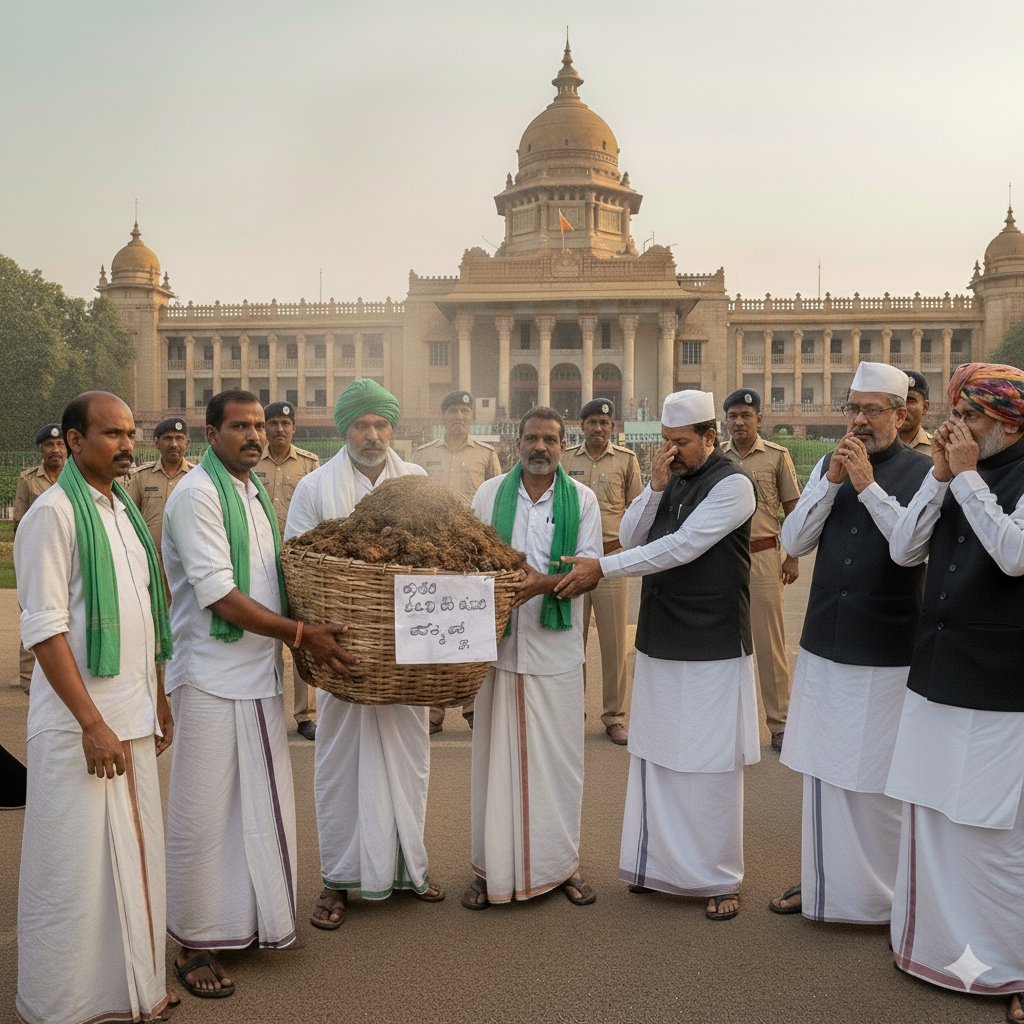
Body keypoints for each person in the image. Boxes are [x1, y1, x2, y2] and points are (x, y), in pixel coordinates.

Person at [162, 389, 353, 998]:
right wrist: (300, 633)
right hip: (212, 675)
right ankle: (193, 940)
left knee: (249, 806)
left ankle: (242, 921)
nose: (252, 435)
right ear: (210, 433)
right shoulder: (196, 495)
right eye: (238, 426)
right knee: (206, 810)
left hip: (255, 674)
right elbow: (218, 594)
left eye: (258, 425)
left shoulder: (251, 492)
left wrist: (300, 630)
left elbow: (271, 579)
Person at [557, 389, 758, 921]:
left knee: (710, 762)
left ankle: (717, 877)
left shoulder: (734, 484)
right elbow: (629, 534)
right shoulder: (671, 480)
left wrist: (602, 568)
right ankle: (658, 866)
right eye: (665, 442)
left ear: (709, 437)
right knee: (660, 754)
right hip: (662, 636)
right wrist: (653, 486)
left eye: (680, 442)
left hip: (712, 642)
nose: (671, 450)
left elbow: (681, 547)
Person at [15, 392, 175, 1023]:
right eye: (111, 434)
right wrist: (91, 723)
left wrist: (158, 694)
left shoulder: (121, 513)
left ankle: (129, 992)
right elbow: (45, 630)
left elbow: (144, 613)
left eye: (130, 433)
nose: (127, 444)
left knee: (135, 860)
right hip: (82, 726)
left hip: (130, 716)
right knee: (74, 873)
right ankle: (63, 1004)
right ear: (74, 441)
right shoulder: (53, 515)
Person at [885, 362, 1024, 1022]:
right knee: (937, 810)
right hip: (938, 664)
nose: (955, 427)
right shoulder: (953, 472)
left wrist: (965, 477)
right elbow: (905, 550)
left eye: (969, 418)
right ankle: (936, 948)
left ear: (1007, 423)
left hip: (1002, 677)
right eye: (957, 415)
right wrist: (941, 479)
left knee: (995, 832)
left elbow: (1013, 553)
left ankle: (1011, 967)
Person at [769, 361, 931, 922]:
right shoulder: (828, 468)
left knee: (873, 780)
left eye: (872, 410)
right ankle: (824, 884)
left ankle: (882, 899)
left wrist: (866, 486)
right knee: (824, 768)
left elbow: (910, 550)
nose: (860, 421)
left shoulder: (925, 473)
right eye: (853, 408)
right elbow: (794, 539)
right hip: (824, 641)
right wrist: (833, 482)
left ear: (900, 414)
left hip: (885, 647)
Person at [285, 378, 444, 931]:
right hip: (342, 654)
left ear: (393, 428)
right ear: (344, 430)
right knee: (340, 765)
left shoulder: (419, 482)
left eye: (380, 425)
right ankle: (338, 880)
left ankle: (408, 867)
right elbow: (298, 565)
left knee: (408, 760)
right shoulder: (314, 487)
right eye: (360, 425)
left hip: (405, 655)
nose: (371, 435)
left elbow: (443, 561)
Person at [460, 406, 602, 910]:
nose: (540, 447)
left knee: (559, 766)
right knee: (492, 764)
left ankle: (561, 867)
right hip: (498, 650)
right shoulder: (488, 494)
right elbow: (469, 560)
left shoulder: (581, 500)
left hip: (555, 649)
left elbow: (588, 570)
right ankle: (489, 869)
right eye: (531, 439)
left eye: (550, 439)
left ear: (563, 446)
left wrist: (541, 584)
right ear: (516, 443)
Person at [414, 389, 501, 734]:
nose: (458, 417)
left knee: (471, 632)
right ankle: (433, 711)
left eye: (464, 411)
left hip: (471, 554)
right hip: (433, 552)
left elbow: (496, 499)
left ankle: (473, 707)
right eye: (452, 411)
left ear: (471, 417)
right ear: (443, 416)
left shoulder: (486, 455)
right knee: (432, 630)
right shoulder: (423, 455)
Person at [720, 388, 801, 751]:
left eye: (746, 416)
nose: (739, 422)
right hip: (721, 560)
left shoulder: (777, 457)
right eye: (733, 416)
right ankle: (727, 725)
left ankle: (779, 722)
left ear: (759, 419)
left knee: (769, 645)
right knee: (721, 644)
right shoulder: (714, 458)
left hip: (764, 556)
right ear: (725, 420)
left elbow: (793, 508)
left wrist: (794, 554)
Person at [560, 397, 642, 745]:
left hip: (610, 563)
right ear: (582, 425)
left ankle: (615, 716)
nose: (598, 428)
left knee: (614, 644)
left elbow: (638, 510)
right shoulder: (565, 460)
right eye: (592, 422)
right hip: (573, 563)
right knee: (569, 643)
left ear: (613, 427)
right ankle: (570, 712)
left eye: (604, 423)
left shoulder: (627, 461)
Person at [254, 401, 321, 741]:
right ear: (264, 428)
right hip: (259, 560)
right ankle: (262, 706)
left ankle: (305, 714)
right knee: (261, 633)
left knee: (300, 636)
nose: (279, 428)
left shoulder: (309, 464)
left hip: (297, 564)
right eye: (273, 423)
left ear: (294, 428)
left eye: (285, 422)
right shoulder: (251, 463)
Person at [13, 422, 67, 692]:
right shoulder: (28, 479)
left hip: (66, 554)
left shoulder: (76, 476)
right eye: (49, 445)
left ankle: (65, 675)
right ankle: (28, 678)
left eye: (59, 444)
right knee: (32, 612)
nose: (55, 450)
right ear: (41, 450)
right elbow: (19, 522)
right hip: (38, 555)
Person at [125, 415, 193, 552]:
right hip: (150, 558)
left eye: (179, 438)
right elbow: (128, 518)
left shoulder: (197, 477)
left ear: (187, 443)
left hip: (187, 559)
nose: (174, 444)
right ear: (157, 443)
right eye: (168, 438)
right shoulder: (141, 477)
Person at [899, 369, 933, 452]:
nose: (902, 408)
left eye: (910, 400)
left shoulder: (938, 449)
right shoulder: (876, 447)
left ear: (925, 407)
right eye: (899, 400)